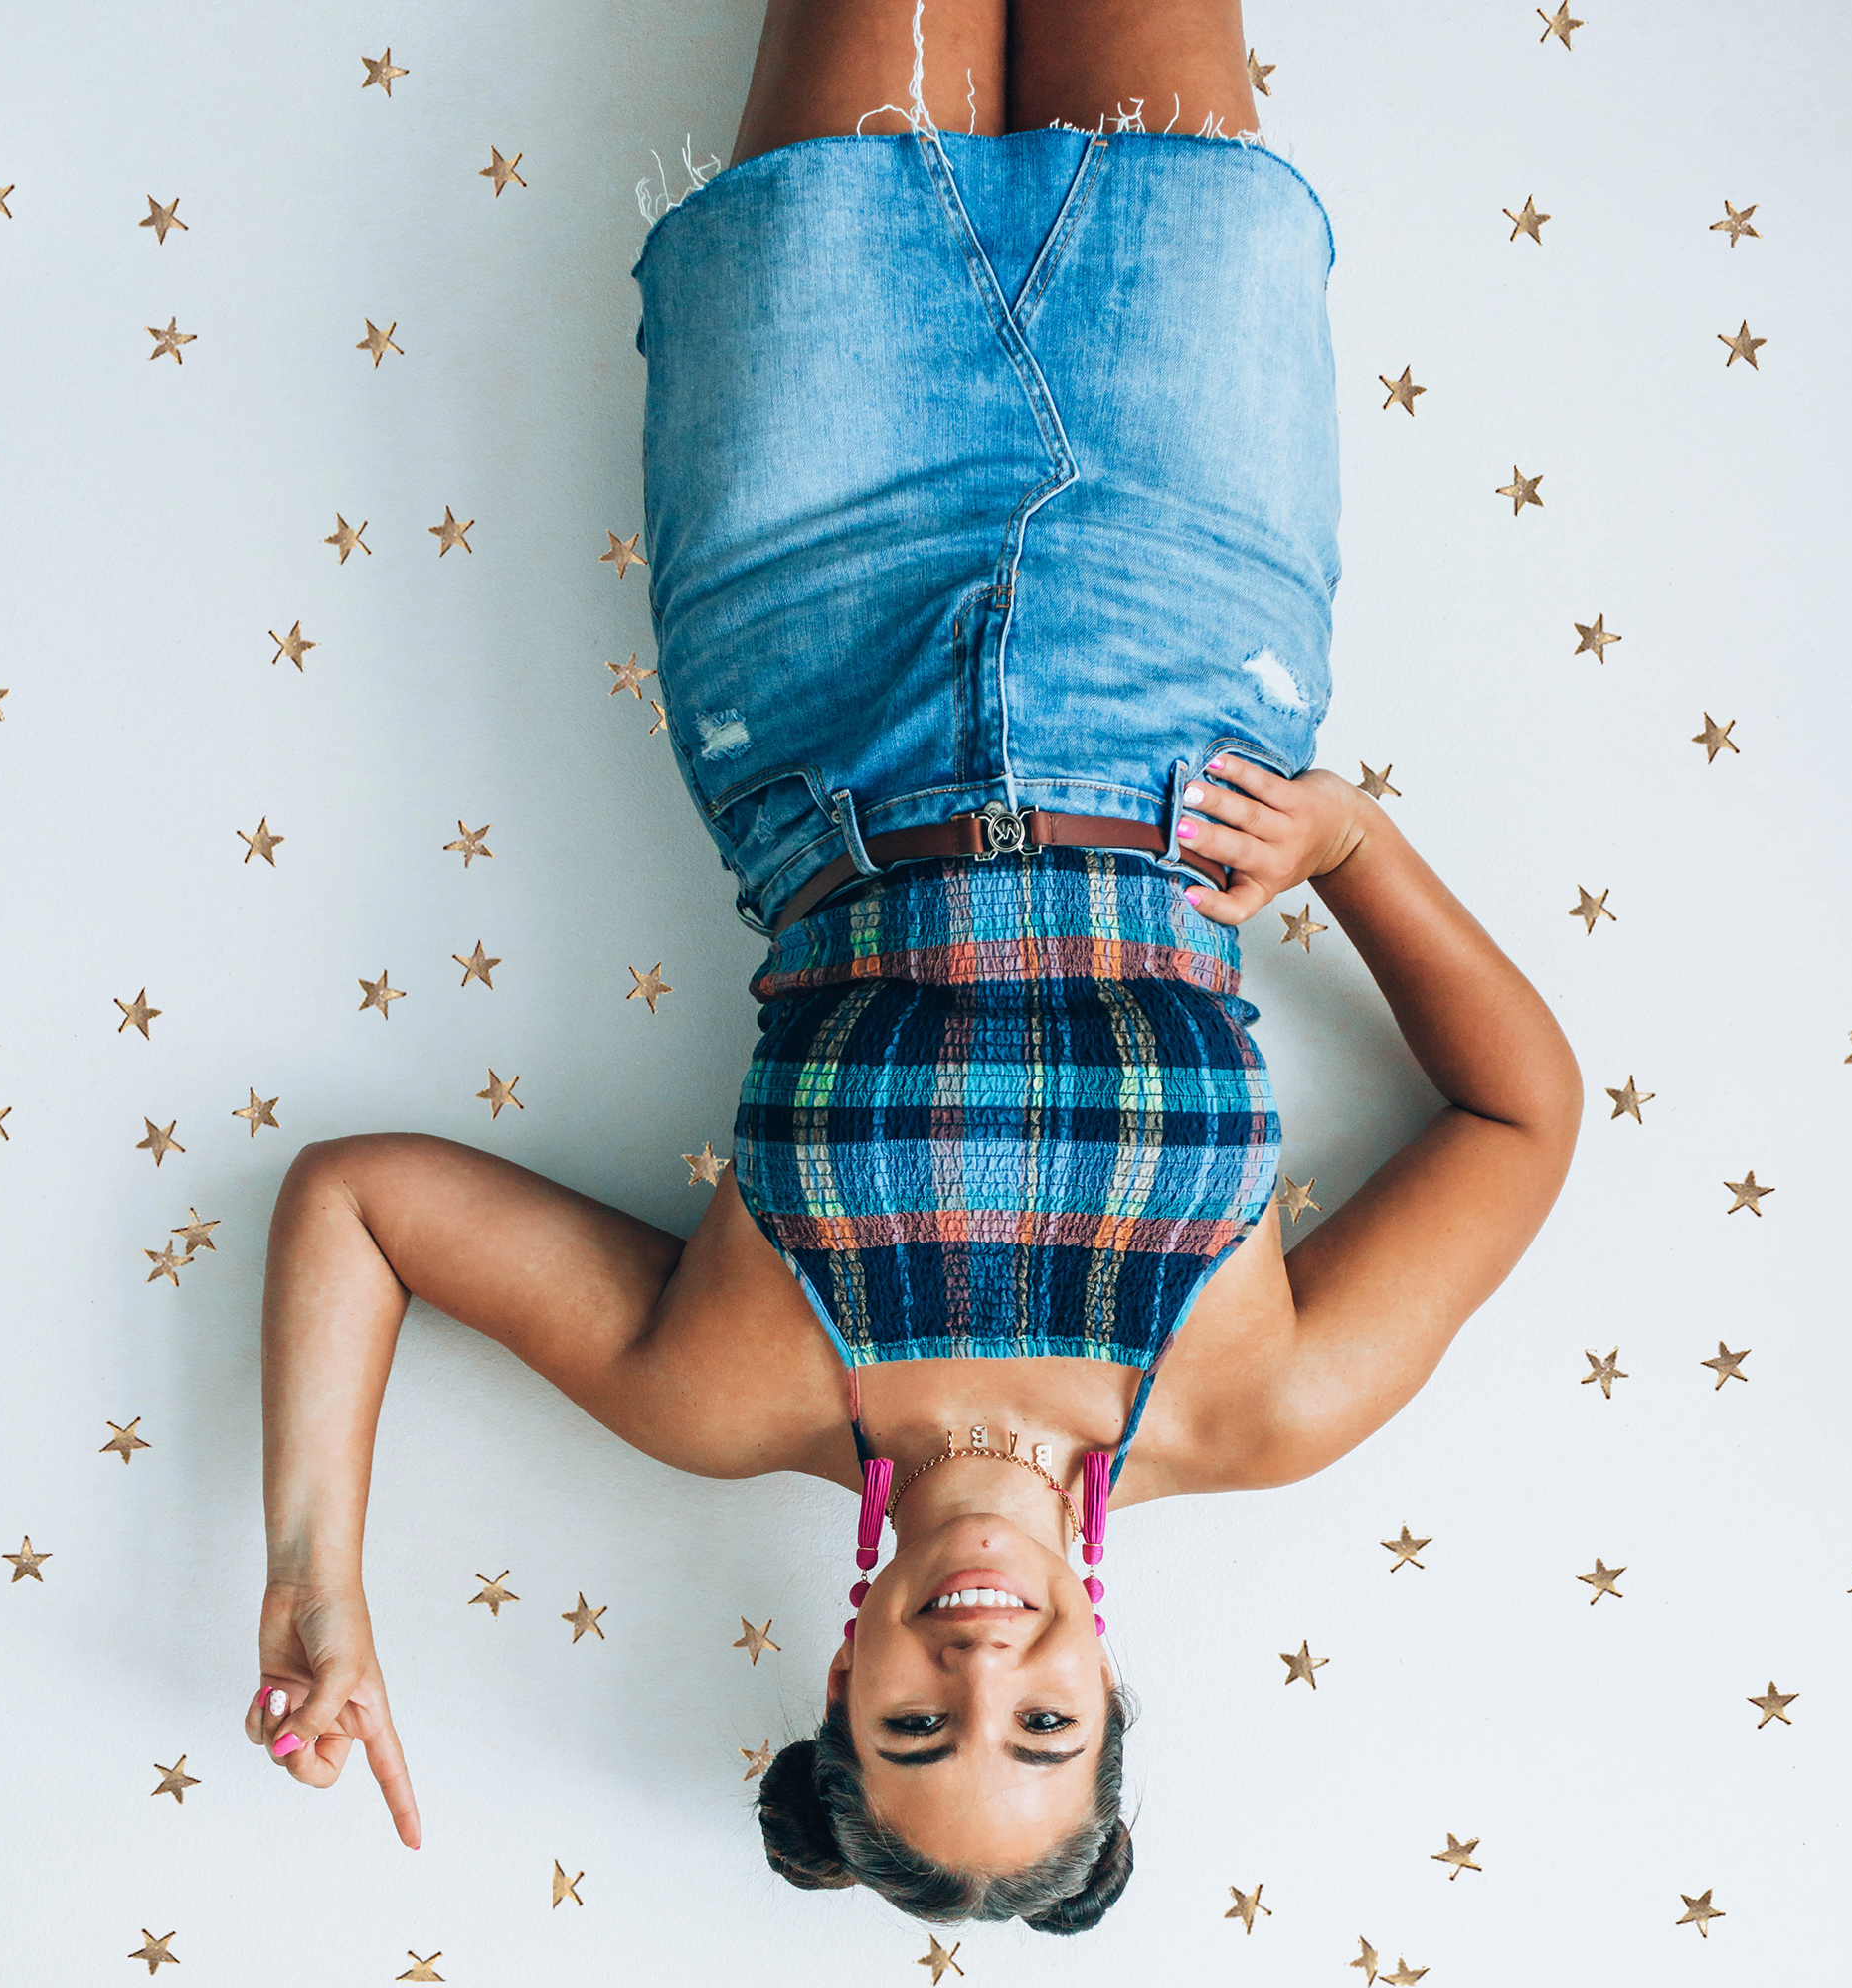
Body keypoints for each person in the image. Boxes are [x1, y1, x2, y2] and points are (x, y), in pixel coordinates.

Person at [246, 0, 1584, 1936]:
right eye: (1040, 1725)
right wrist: (1352, 852)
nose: (980, 1668)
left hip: (812, 613)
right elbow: (1522, 1118)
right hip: (1185, 616)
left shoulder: (723, 1388)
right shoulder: (1259, 1405)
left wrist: (317, 1583)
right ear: (1105, 1693)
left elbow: (359, 1209)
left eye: (912, 1725)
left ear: (838, 1690)